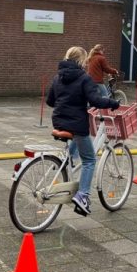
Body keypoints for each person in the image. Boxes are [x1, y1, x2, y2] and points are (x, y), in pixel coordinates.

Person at [47, 46, 120, 216]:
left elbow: (51, 101)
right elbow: (95, 100)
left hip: (58, 121)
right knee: (89, 160)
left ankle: (68, 161)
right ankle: (83, 196)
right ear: (81, 61)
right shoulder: (84, 78)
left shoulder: (58, 76)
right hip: (76, 124)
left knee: (77, 144)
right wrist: (112, 103)